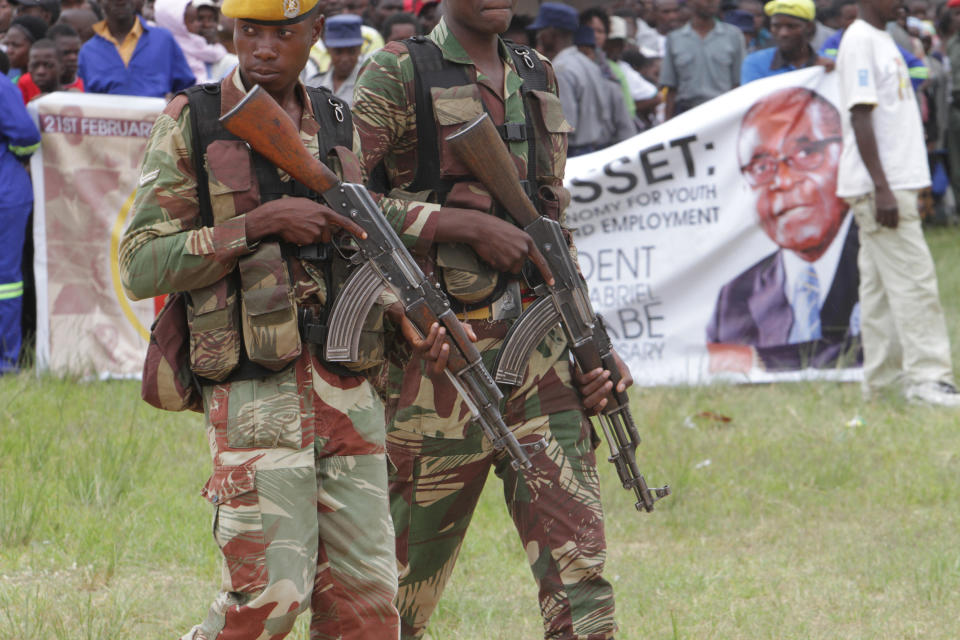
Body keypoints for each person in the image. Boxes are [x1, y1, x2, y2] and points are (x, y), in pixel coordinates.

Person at [118, 0, 458, 635]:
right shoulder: (193, 120)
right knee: (268, 606)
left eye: (283, 32)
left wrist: (404, 314)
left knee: (366, 611)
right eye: (250, 31)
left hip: (350, 393)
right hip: (256, 394)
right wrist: (257, 225)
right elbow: (141, 264)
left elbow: (361, 247)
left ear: (316, 34)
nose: (264, 48)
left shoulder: (337, 120)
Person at [352, 0, 632, 637]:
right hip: (440, 366)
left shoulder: (538, 74)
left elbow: (550, 225)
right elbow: (339, 201)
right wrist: (456, 225)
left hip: (545, 361)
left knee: (582, 580)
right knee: (395, 594)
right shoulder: (398, 72)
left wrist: (594, 344)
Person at [836, 0, 960, 405]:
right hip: (881, 186)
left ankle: (883, 385)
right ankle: (928, 380)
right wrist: (883, 188)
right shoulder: (859, 39)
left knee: (880, 292)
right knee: (914, 281)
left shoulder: (884, 38)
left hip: (892, 182)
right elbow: (860, 115)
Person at [707, 88, 861, 373]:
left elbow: (881, 348)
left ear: (844, 153)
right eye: (762, 166)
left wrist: (760, 361)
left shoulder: (877, 260)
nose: (783, 180)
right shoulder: (734, 296)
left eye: (805, 152)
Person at [534, 2, 613, 156]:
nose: (539, 37)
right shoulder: (588, 63)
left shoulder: (561, 68)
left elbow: (563, 125)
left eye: (541, 31)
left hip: (572, 152)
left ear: (551, 32)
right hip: (593, 148)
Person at [0, 72, 40, 374]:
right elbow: (26, 137)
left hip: (6, 195)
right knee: (6, 280)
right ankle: (7, 360)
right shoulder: (3, 86)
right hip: (7, 188)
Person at [77, 0, 195, 97]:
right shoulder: (88, 52)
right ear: (99, 1)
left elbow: (186, 88)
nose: (121, 2)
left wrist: (174, 102)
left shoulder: (164, 39)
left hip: (157, 122)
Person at [659, 0, 746, 118]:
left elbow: (738, 83)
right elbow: (671, 88)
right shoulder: (675, 39)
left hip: (723, 112)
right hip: (688, 112)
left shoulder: (733, 36)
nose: (711, 2)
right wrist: (667, 125)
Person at [740, 0, 826, 84]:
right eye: (776, 26)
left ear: (809, 27)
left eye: (791, 26)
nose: (783, 33)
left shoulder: (827, 64)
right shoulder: (756, 63)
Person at [154, 0, 234, 83]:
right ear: (178, 24)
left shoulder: (226, 59)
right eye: (199, 18)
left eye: (212, 19)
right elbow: (215, 54)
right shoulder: (181, 43)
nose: (205, 24)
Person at [307, 13, 364, 106]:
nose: (345, 58)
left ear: (359, 50)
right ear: (328, 50)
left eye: (351, 51)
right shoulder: (313, 84)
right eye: (338, 52)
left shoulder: (368, 88)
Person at [16, 24, 84, 102]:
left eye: (48, 65)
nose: (40, 71)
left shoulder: (78, 93)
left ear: (62, 67)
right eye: (66, 53)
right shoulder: (25, 82)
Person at [3, 14, 46, 82]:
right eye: (7, 44)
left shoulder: (43, 83)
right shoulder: (13, 82)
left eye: (16, 45)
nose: (9, 51)